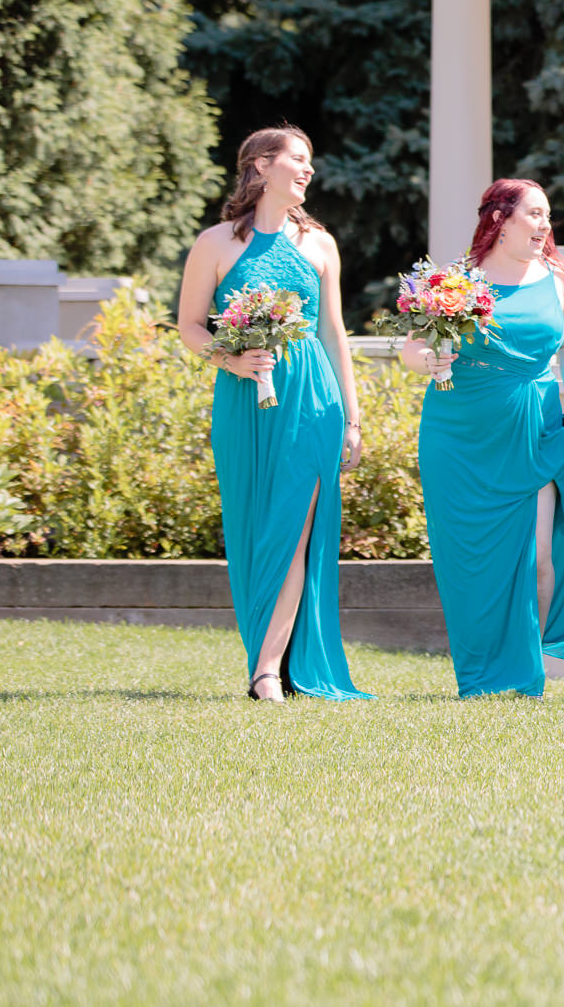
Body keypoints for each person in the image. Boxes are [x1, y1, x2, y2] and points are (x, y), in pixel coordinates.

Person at [175, 125, 369, 702]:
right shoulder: (214, 244)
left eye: (310, 161)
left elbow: (335, 334)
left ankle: (266, 672)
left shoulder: (321, 244)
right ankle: (271, 656)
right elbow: (189, 326)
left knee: (295, 528)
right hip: (243, 401)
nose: (308, 171)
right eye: (298, 160)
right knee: (255, 528)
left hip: (312, 397)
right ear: (260, 166)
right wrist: (230, 360)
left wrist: (353, 419)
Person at [406, 179, 564, 697]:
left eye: (548, 216)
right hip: (461, 433)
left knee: (538, 554)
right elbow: (411, 347)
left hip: (533, 427)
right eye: (534, 215)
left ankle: (521, 672)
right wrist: (429, 361)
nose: (545, 226)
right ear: (500, 219)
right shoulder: (457, 281)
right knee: (470, 561)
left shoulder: (558, 277)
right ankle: (481, 674)